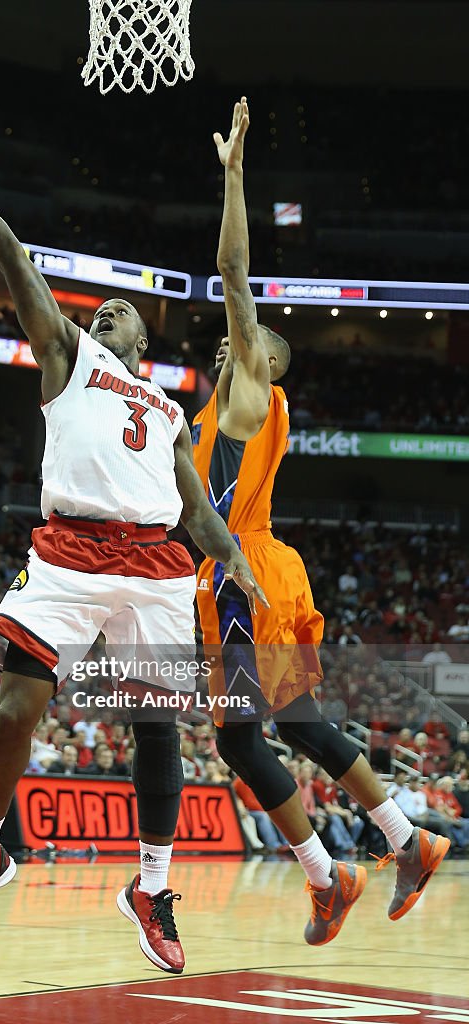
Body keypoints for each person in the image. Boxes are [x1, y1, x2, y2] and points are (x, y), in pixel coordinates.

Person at [0, 115, 267, 974]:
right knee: (16, 709)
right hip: (67, 553)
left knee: (157, 726)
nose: (107, 311)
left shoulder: (171, 411)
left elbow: (196, 514)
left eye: (123, 312)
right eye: (101, 307)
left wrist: (234, 555)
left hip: (157, 565)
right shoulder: (69, 355)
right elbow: (11, 254)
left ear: (147, 342)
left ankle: (150, 888)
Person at [191, 96, 449, 947]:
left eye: (253, 338)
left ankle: (329, 875)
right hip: (261, 572)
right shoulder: (223, 414)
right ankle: (409, 842)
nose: (236, 340)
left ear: (268, 362)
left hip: (245, 575)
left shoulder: (251, 397)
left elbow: (233, 275)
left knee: (238, 739)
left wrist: (233, 177)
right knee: (297, 724)